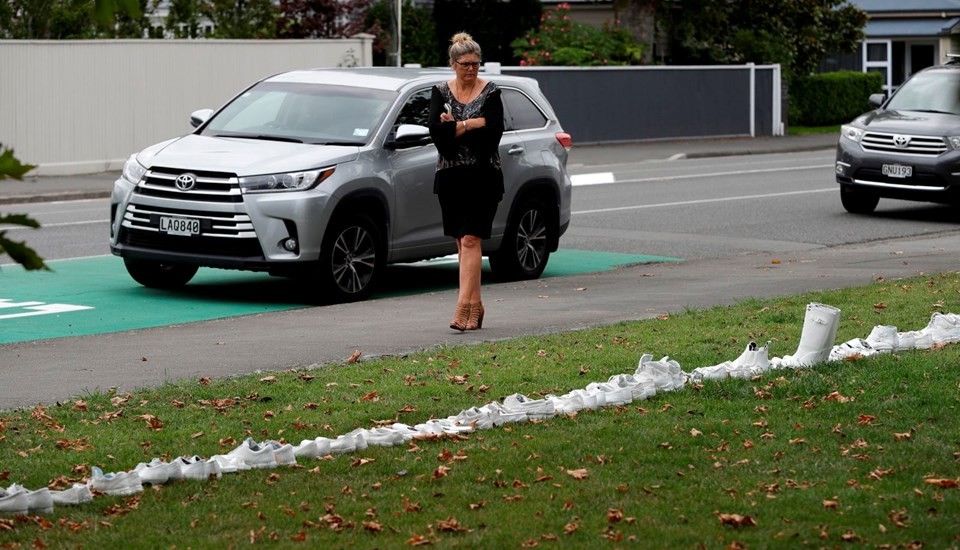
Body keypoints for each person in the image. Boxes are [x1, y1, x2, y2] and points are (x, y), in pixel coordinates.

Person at [429, 32, 505, 332]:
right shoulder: (439, 91)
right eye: (465, 64)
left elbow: (492, 137)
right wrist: (474, 123)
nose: (471, 69)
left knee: (472, 239)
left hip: (484, 175)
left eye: (476, 64)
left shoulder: (492, 92)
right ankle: (477, 305)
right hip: (449, 177)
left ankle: (462, 308)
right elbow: (439, 138)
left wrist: (456, 127)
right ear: (453, 64)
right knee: (462, 243)